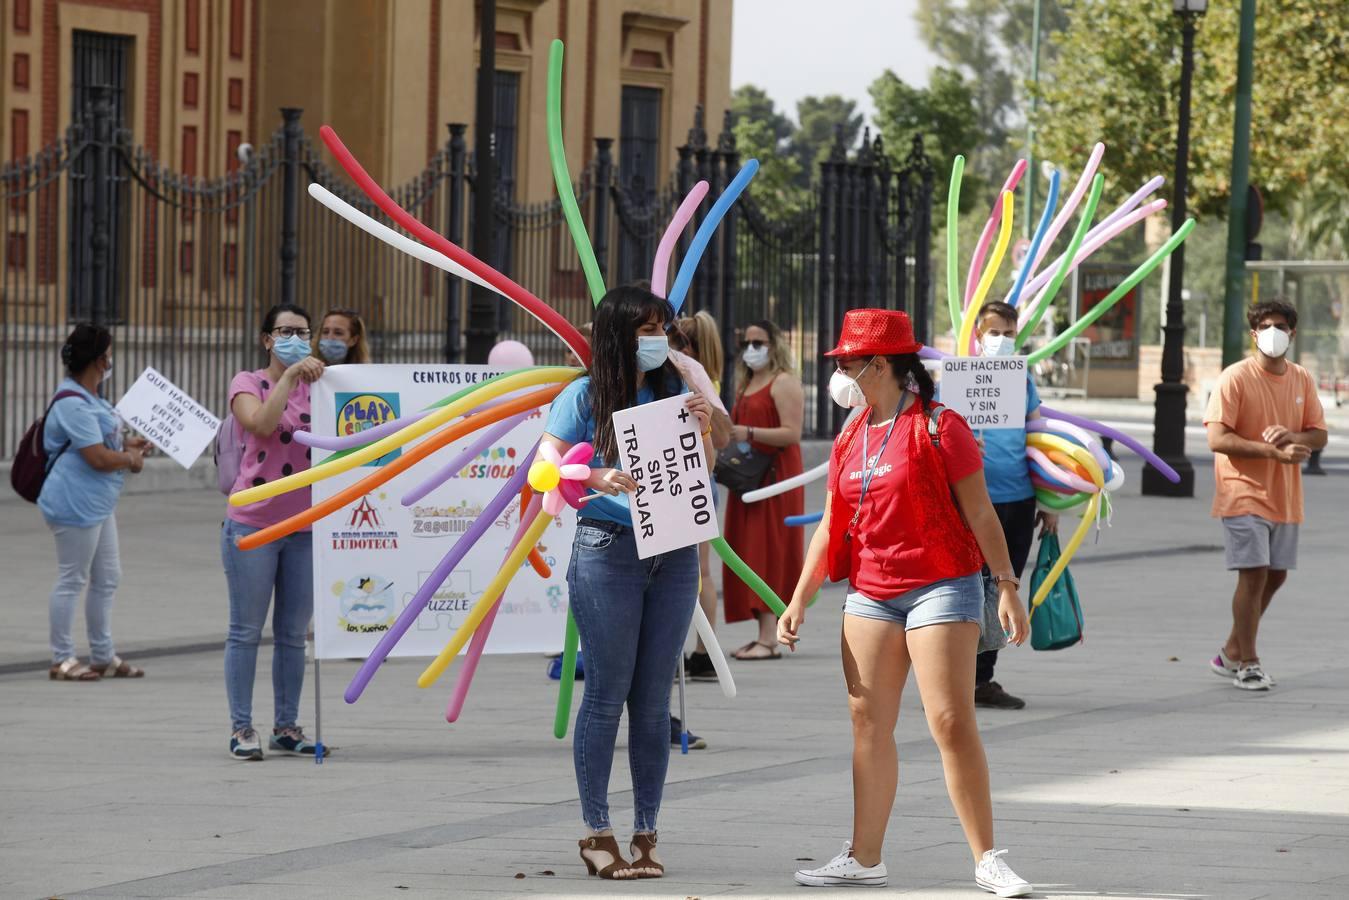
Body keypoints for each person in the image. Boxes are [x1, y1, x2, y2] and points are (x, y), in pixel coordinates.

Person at [778, 309, 1034, 897]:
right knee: (868, 723)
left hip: (942, 582)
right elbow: (829, 527)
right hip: (870, 590)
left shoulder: (941, 426)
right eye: (839, 360)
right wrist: (798, 600)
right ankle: (865, 857)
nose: (840, 370)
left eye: (847, 360)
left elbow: (980, 511)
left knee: (949, 720)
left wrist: (1007, 586)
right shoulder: (850, 434)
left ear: (883, 363)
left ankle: (987, 859)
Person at [542, 284, 714, 880]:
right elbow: (544, 468)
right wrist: (596, 472)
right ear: (616, 334)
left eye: (662, 330)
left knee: (652, 701)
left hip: (674, 552)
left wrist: (704, 426)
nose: (657, 341)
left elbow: (703, 475)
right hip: (608, 550)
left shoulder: (675, 389)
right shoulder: (583, 395)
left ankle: (647, 831)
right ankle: (596, 831)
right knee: (606, 694)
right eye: (645, 330)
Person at [1204, 299, 1327, 691]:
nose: (1274, 332)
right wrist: (1273, 450)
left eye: (1281, 326)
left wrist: (1295, 437)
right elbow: (1217, 438)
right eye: (1266, 325)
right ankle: (1249, 664)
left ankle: (1230, 651)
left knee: (1275, 577)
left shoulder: (1301, 379)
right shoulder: (1235, 378)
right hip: (1241, 492)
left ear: (1292, 333)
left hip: (1285, 494)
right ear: (1254, 333)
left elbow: (1318, 432)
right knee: (1254, 573)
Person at [222, 303, 326, 760]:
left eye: (304, 332)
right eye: (285, 332)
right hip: (254, 523)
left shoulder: (324, 388)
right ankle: (242, 728)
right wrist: (287, 378)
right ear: (267, 339)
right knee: (246, 630)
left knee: (292, 633)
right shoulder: (249, 382)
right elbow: (261, 424)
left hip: (304, 525)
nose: (296, 339)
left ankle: (287, 724)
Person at [40, 324, 150, 681]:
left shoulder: (91, 398)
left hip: (97, 502)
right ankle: (62, 658)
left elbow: (105, 446)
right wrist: (128, 459)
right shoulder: (72, 402)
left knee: (108, 578)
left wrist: (128, 446)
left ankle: (102, 654)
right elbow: (97, 458)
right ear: (101, 360)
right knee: (73, 577)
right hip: (74, 502)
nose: (111, 360)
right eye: (109, 353)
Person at [967, 302, 1057, 710]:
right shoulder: (958, 380)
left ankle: (982, 678)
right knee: (969, 590)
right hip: (970, 501)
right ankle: (956, 674)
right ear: (977, 335)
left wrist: (1051, 498)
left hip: (1019, 499)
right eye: (993, 332)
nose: (1001, 340)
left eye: (1008, 333)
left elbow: (1039, 439)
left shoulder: (1022, 382)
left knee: (1004, 590)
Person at [722, 319, 805, 660]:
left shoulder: (783, 382)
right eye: (747, 342)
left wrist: (749, 432)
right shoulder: (747, 382)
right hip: (749, 477)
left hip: (774, 478)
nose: (752, 349)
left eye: (760, 342)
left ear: (775, 345)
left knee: (767, 550)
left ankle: (770, 636)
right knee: (746, 549)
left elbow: (791, 433)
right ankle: (763, 631)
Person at [669, 311, 732, 682]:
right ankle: (704, 654)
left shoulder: (688, 373)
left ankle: (682, 655)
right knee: (702, 574)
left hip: (685, 479)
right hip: (697, 481)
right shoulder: (707, 374)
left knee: (685, 573)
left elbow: (722, 435)